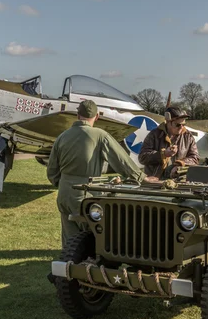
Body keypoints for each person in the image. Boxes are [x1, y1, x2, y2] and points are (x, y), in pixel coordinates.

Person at [47, 99, 145, 248]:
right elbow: (121, 161)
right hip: (85, 192)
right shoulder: (100, 135)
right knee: (93, 236)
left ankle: (67, 265)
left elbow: (52, 171)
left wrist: (62, 183)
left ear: (77, 115)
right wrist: (141, 178)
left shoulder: (62, 136)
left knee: (70, 240)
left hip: (64, 192)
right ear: (97, 116)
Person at [138, 107, 199, 179]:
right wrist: (163, 154)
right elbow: (142, 157)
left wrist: (180, 164)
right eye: (178, 125)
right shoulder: (154, 135)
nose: (181, 127)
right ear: (168, 122)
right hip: (154, 180)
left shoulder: (188, 136)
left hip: (178, 181)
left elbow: (195, 158)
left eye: (183, 124)